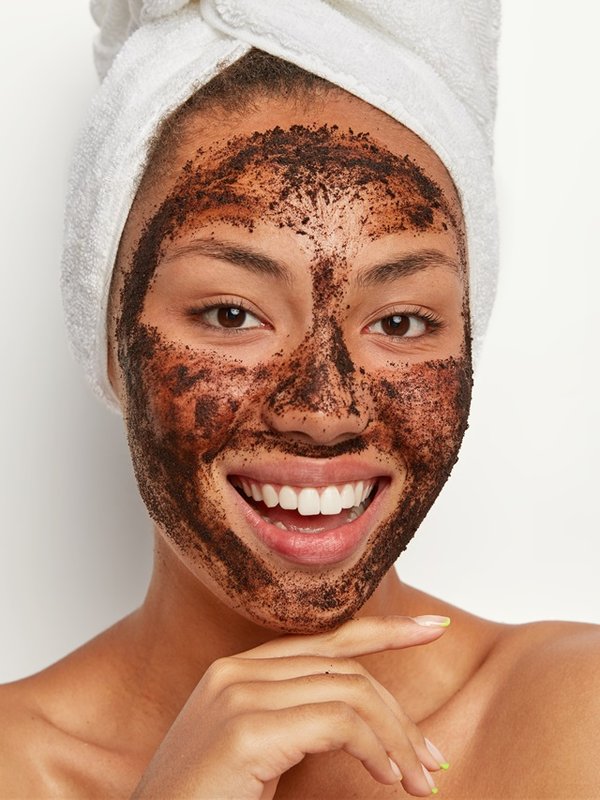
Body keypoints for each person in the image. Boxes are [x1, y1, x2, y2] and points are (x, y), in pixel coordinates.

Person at [1, 2, 598, 798]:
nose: (324, 408)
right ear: (107, 341)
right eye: (231, 314)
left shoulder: (572, 719)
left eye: (401, 320)